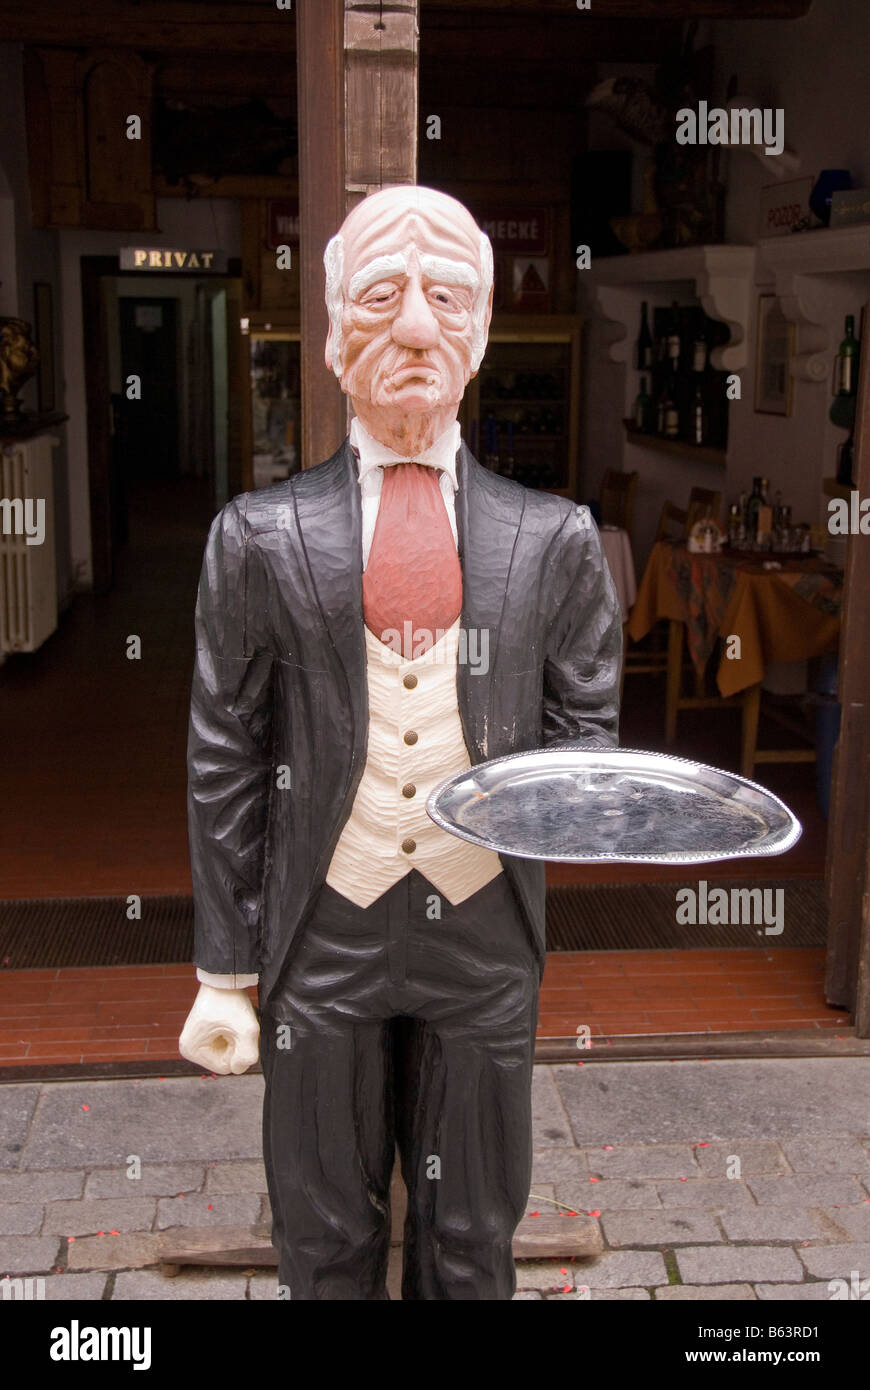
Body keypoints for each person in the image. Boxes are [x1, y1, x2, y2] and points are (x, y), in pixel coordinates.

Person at [179, 185, 622, 1300]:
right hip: (322, 931)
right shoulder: (258, 538)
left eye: (446, 298)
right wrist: (225, 971)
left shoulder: (555, 538)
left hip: (484, 938)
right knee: (321, 1231)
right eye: (382, 296)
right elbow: (227, 756)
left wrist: (584, 808)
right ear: (334, 336)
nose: (416, 326)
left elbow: (586, 737)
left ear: (478, 332)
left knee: (473, 1232)